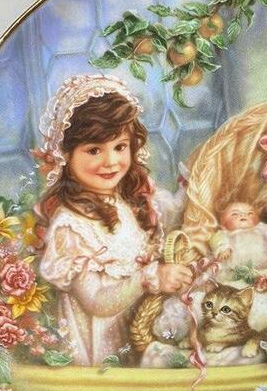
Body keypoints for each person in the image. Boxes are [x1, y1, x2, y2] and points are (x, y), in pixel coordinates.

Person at [37, 73, 192, 365]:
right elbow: (96, 302)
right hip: (103, 348)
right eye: (94, 150)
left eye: (120, 147)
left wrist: (195, 188)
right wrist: (149, 278)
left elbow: (174, 216)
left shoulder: (130, 198)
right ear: (65, 154)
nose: (110, 162)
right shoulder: (71, 226)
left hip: (142, 328)